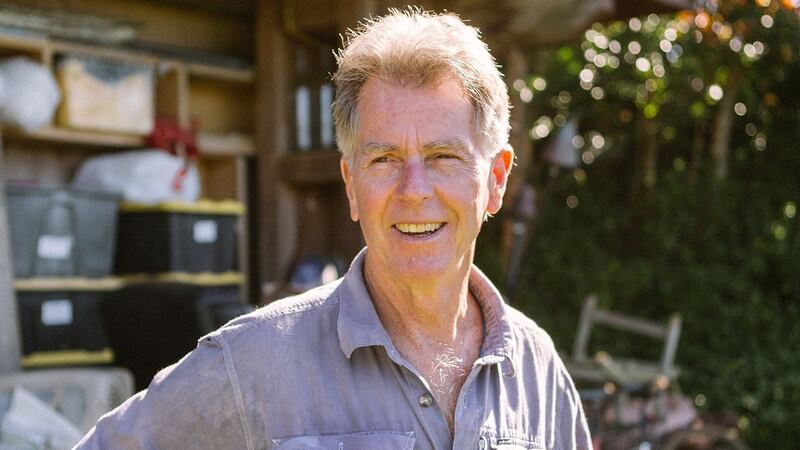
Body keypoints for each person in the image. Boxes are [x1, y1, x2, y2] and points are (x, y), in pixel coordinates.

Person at [76, 8, 591, 450]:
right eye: (384, 158)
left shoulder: (538, 374)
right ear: (350, 184)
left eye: (442, 156)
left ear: (496, 180)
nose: (413, 189)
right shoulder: (253, 363)